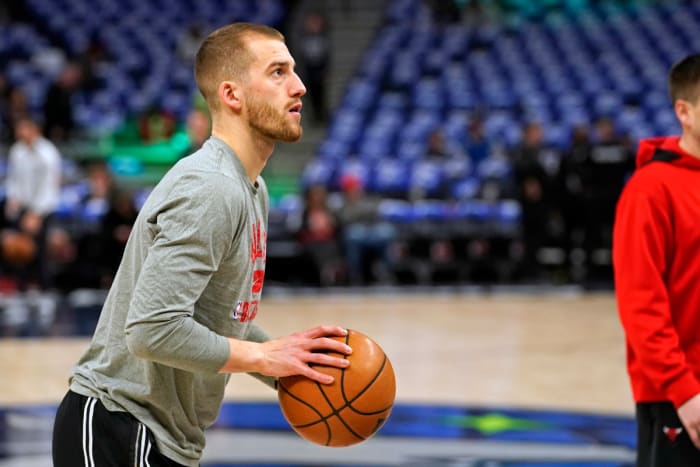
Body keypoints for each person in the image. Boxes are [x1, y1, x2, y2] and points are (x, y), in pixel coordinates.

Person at [52, 23, 352, 467]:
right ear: (232, 95)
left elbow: (217, 319)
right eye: (277, 72)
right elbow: (152, 328)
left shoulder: (251, 188)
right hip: (120, 427)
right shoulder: (213, 188)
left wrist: (293, 368)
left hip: (157, 435)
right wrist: (265, 357)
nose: (300, 86)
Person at [614, 53, 700, 466]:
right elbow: (640, 304)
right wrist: (684, 390)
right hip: (680, 396)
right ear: (683, 111)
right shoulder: (650, 190)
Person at [1, 117, 62, 289]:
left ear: (34, 129)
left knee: (41, 252)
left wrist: (36, 213)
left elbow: (49, 185)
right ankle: (21, 288)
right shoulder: (17, 151)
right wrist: (13, 200)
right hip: (22, 206)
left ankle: (44, 288)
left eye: (23, 129)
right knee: (20, 252)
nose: (19, 133)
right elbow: (13, 179)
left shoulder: (48, 153)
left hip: (43, 209)